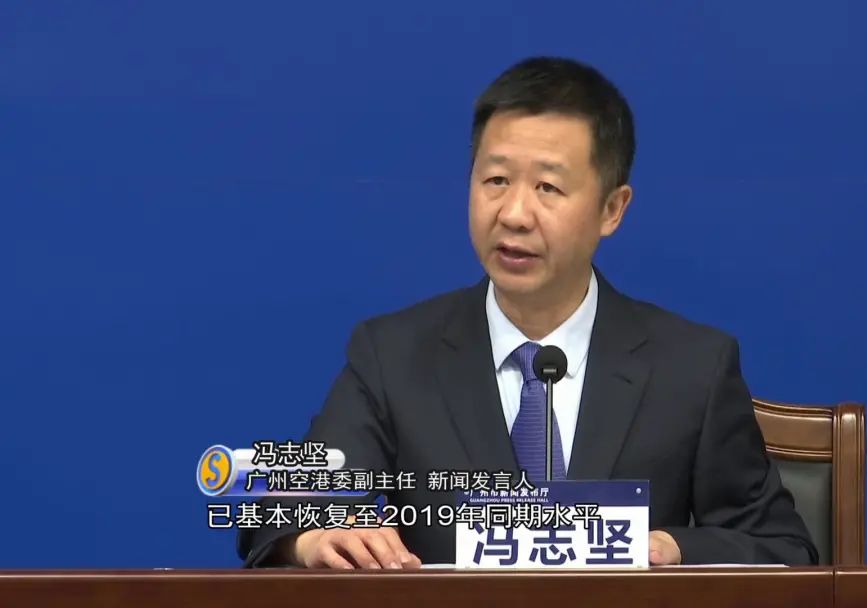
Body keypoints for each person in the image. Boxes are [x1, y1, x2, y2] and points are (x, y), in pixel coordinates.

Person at [238, 56, 817, 569]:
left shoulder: (692, 367)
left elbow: (783, 548)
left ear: (612, 209)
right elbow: (277, 509)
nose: (514, 213)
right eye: (495, 180)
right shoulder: (392, 356)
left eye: (547, 188)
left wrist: (675, 548)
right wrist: (313, 538)